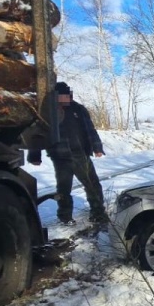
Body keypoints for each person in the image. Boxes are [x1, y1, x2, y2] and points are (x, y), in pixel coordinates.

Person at [28, 82, 108, 226]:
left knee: (92, 185)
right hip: (60, 157)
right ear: (56, 97)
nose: (66, 98)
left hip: (80, 155)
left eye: (68, 95)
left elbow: (90, 130)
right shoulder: (49, 112)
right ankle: (65, 217)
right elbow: (38, 134)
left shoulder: (79, 109)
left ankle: (98, 213)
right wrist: (35, 155)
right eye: (63, 95)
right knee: (63, 189)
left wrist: (97, 147)